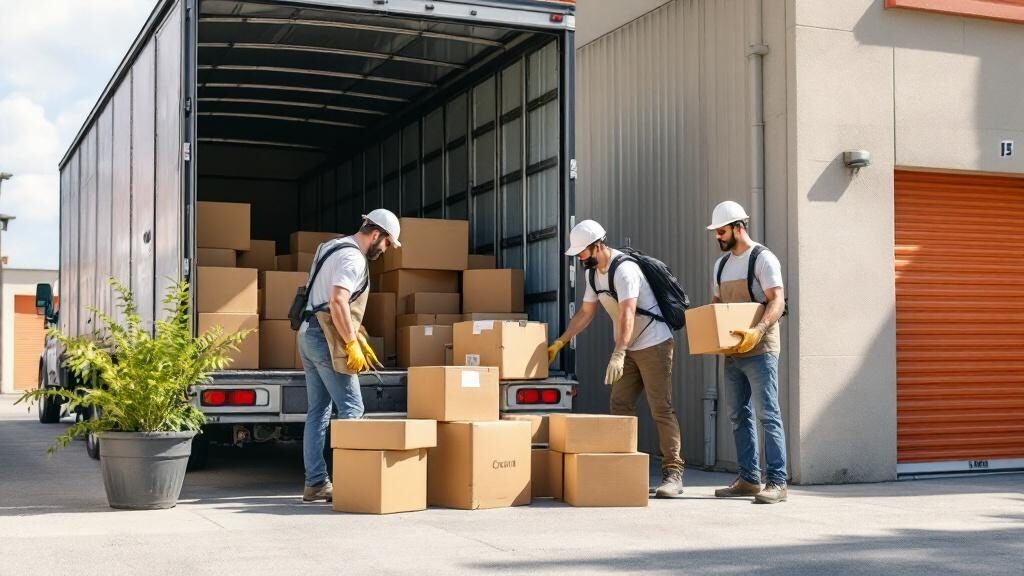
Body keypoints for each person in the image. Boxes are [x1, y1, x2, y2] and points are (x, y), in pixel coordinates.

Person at [547, 219, 684, 498]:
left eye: (582, 252)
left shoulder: (625, 270)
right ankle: (626, 467)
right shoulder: (593, 274)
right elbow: (586, 313)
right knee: (620, 403)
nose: (580, 257)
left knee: (661, 408)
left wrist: (619, 352)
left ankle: (673, 473)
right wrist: (562, 340)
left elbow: (627, 313)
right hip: (628, 347)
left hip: (654, 343)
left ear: (597, 245)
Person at [298, 208, 401, 503]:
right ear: (376, 234)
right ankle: (351, 483)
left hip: (307, 332)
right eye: (386, 244)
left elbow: (323, 296)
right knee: (352, 411)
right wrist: (350, 342)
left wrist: (359, 335)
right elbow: (338, 300)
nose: (385, 250)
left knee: (318, 411)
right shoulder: (353, 258)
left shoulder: (330, 246)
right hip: (326, 338)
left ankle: (316, 483)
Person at [707, 201, 789, 504]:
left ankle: (777, 482)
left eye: (721, 231)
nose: (718, 236)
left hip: (761, 348)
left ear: (739, 227)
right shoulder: (721, 265)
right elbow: (716, 305)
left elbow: (777, 301)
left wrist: (759, 330)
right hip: (732, 352)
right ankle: (749, 479)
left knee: (768, 414)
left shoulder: (763, 259)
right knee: (738, 415)